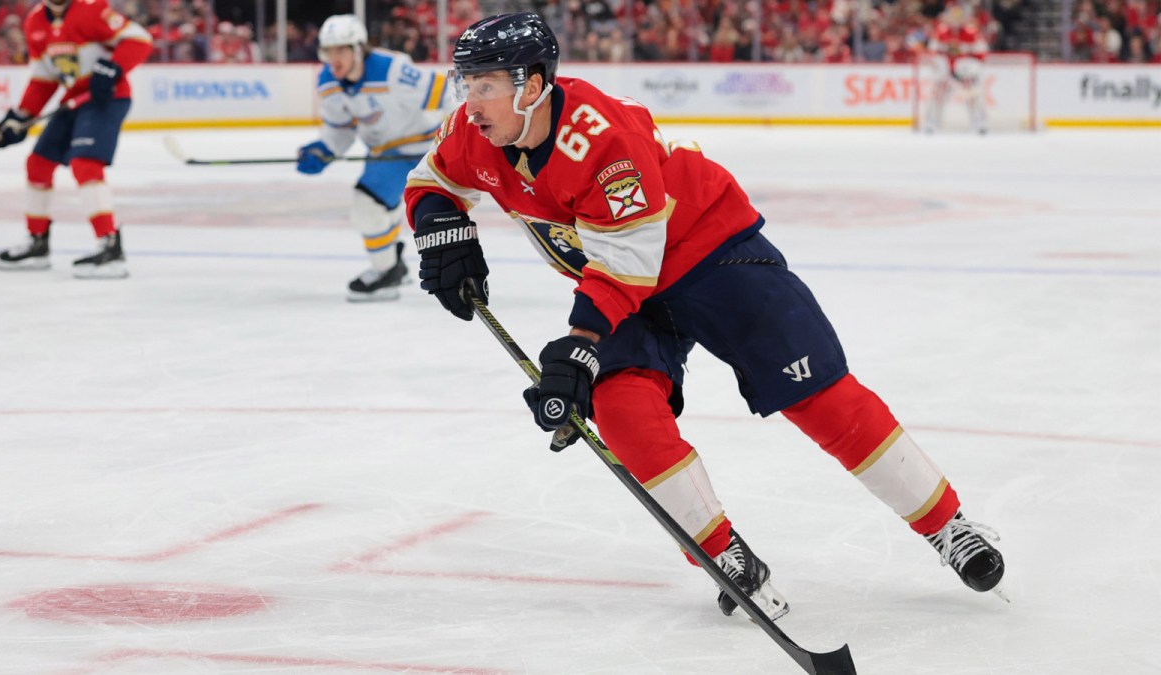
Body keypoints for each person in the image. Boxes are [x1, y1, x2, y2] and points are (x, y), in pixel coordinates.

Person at [405, 12, 1007, 621]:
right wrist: (440, 228)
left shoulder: (602, 138)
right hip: (624, 279)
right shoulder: (472, 132)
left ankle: (947, 526)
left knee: (818, 392)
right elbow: (430, 180)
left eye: (485, 85)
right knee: (620, 407)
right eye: (465, 84)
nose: (471, 102)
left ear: (531, 87)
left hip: (710, 251)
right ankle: (725, 553)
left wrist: (581, 343)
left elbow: (626, 264)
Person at [296, 14, 452, 302]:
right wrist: (324, 149)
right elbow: (339, 130)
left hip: (419, 151)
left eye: (340, 50)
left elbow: (447, 94)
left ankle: (386, 271)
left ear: (358, 49)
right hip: (383, 154)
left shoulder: (392, 70)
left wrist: (459, 139)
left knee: (368, 206)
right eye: (328, 51)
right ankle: (392, 263)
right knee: (380, 208)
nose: (334, 58)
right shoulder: (328, 81)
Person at [0, 0, 152, 278]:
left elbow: (139, 40)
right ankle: (37, 242)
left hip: (106, 99)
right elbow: (43, 79)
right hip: (74, 100)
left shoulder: (91, 9)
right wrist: (21, 117)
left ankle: (110, 245)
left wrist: (113, 67)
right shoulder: (35, 23)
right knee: (38, 163)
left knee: (85, 163)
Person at [922, 4, 990, 134]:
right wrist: (939, 65)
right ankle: (932, 122)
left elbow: (982, 52)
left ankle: (979, 123)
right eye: (952, 17)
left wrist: (971, 66)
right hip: (946, 73)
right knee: (937, 97)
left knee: (973, 97)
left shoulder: (971, 32)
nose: (955, 21)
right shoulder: (941, 31)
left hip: (964, 73)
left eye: (958, 18)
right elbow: (932, 51)